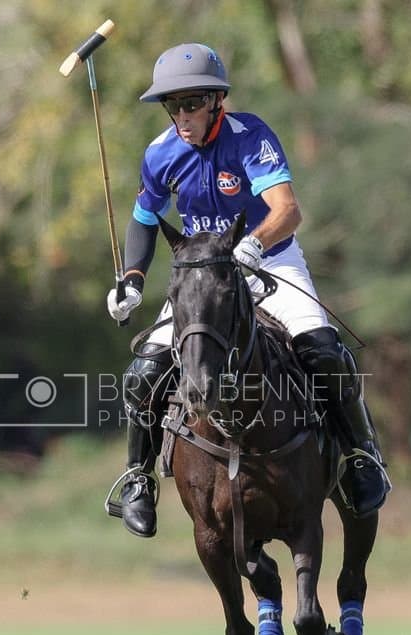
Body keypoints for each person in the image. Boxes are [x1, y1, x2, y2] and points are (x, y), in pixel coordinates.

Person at [105, 43, 390, 538]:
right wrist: (131, 281)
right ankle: (138, 479)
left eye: (191, 103)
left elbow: (287, 209)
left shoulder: (249, 136)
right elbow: (144, 221)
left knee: (323, 350)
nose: (182, 116)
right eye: (173, 106)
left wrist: (255, 246)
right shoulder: (160, 153)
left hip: (271, 263)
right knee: (142, 373)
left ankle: (361, 457)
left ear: (217, 100)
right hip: (204, 276)